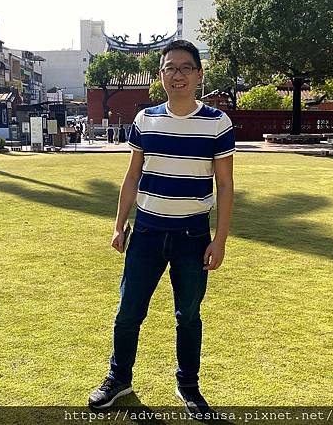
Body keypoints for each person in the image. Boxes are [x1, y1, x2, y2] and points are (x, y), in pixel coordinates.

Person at [88, 40, 235, 413]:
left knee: (189, 316)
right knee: (128, 311)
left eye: (186, 68)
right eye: (170, 67)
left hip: (193, 236)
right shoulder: (145, 119)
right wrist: (119, 225)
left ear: (199, 74)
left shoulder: (217, 123)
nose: (178, 75)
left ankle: (189, 386)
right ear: (160, 75)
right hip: (147, 233)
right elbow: (132, 176)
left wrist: (219, 240)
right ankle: (119, 379)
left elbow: (225, 185)